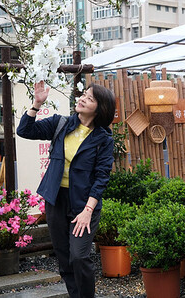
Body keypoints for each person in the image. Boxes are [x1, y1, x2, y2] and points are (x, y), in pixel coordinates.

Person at [17, 81, 115, 298]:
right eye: (84, 94)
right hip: (56, 200)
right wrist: (36, 104)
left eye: (89, 98)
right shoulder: (61, 123)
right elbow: (25, 130)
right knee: (63, 257)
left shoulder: (103, 139)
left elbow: (101, 178)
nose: (82, 98)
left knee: (79, 256)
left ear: (100, 109)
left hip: (84, 204)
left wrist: (88, 211)